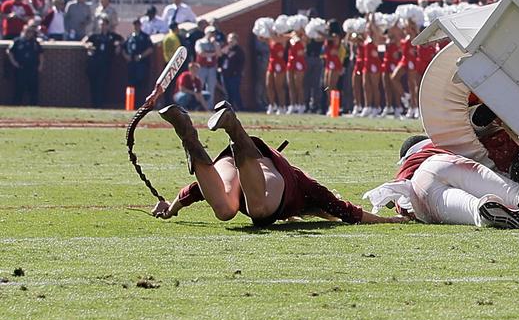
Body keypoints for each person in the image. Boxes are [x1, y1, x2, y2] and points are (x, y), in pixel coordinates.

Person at [151, 102, 405, 225]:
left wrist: (170, 209)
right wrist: (388, 222)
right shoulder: (306, 187)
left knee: (226, 209)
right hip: (262, 166)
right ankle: (235, 130)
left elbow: (197, 191)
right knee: (260, 210)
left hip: (232, 161)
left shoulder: (305, 190)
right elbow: (347, 211)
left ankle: (188, 134)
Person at [363, 110, 519, 229]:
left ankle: (485, 211)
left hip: (420, 186)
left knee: (474, 211)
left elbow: (402, 200)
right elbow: (475, 121)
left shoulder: (409, 165)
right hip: (447, 162)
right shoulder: (444, 141)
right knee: (518, 196)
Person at [84, 16, 122, 108]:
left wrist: (118, 46)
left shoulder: (112, 36)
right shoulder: (95, 35)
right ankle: (94, 104)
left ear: (108, 25)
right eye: (101, 24)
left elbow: (122, 40)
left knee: (103, 84)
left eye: (104, 24)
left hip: (106, 64)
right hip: (95, 64)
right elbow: (85, 41)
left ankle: (100, 104)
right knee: (94, 84)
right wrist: (88, 45)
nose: (102, 26)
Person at [7, 21, 42, 105]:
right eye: (27, 32)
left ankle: (33, 105)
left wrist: (40, 65)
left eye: (30, 32)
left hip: (32, 68)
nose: (29, 34)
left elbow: (41, 53)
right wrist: (14, 62)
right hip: (21, 68)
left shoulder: (35, 42)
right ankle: (16, 105)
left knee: (33, 88)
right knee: (19, 87)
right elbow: (9, 51)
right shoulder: (17, 41)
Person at [122, 18, 154, 95]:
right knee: (131, 83)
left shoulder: (145, 36)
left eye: (138, 24)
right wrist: (126, 56)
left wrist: (141, 56)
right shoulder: (130, 37)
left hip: (141, 64)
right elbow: (123, 48)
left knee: (141, 82)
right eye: (135, 25)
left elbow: (150, 49)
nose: (136, 26)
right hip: (131, 64)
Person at [193, 25, 221, 105]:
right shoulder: (200, 42)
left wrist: (215, 43)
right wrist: (213, 54)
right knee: (199, 86)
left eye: (214, 33)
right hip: (201, 67)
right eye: (211, 33)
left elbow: (219, 54)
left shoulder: (216, 43)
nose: (213, 35)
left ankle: (209, 106)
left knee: (211, 87)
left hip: (211, 68)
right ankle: (198, 105)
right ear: (206, 33)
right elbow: (201, 53)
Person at [219, 32, 245, 111]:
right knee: (227, 92)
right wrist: (219, 67)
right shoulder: (225, 49)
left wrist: (237, 71)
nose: (231, 41)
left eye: (233, 39)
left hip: (234, 74)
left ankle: (240, 108)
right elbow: (220, 59)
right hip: (225, 73)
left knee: (234, 91)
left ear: (236, 41)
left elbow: (241, 62)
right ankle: (228, 109)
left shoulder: (239, 51)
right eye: (229, 39)